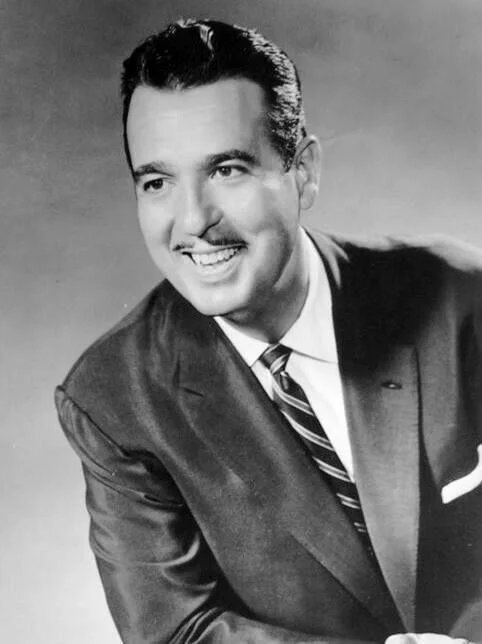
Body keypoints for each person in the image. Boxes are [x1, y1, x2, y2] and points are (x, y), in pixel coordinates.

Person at [55, 18, 482, 644]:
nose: (192, 221)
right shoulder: (113, 397)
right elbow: (177, 632)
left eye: (226, 169)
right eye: (157, 182)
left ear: (303, 171)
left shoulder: (459, 295)